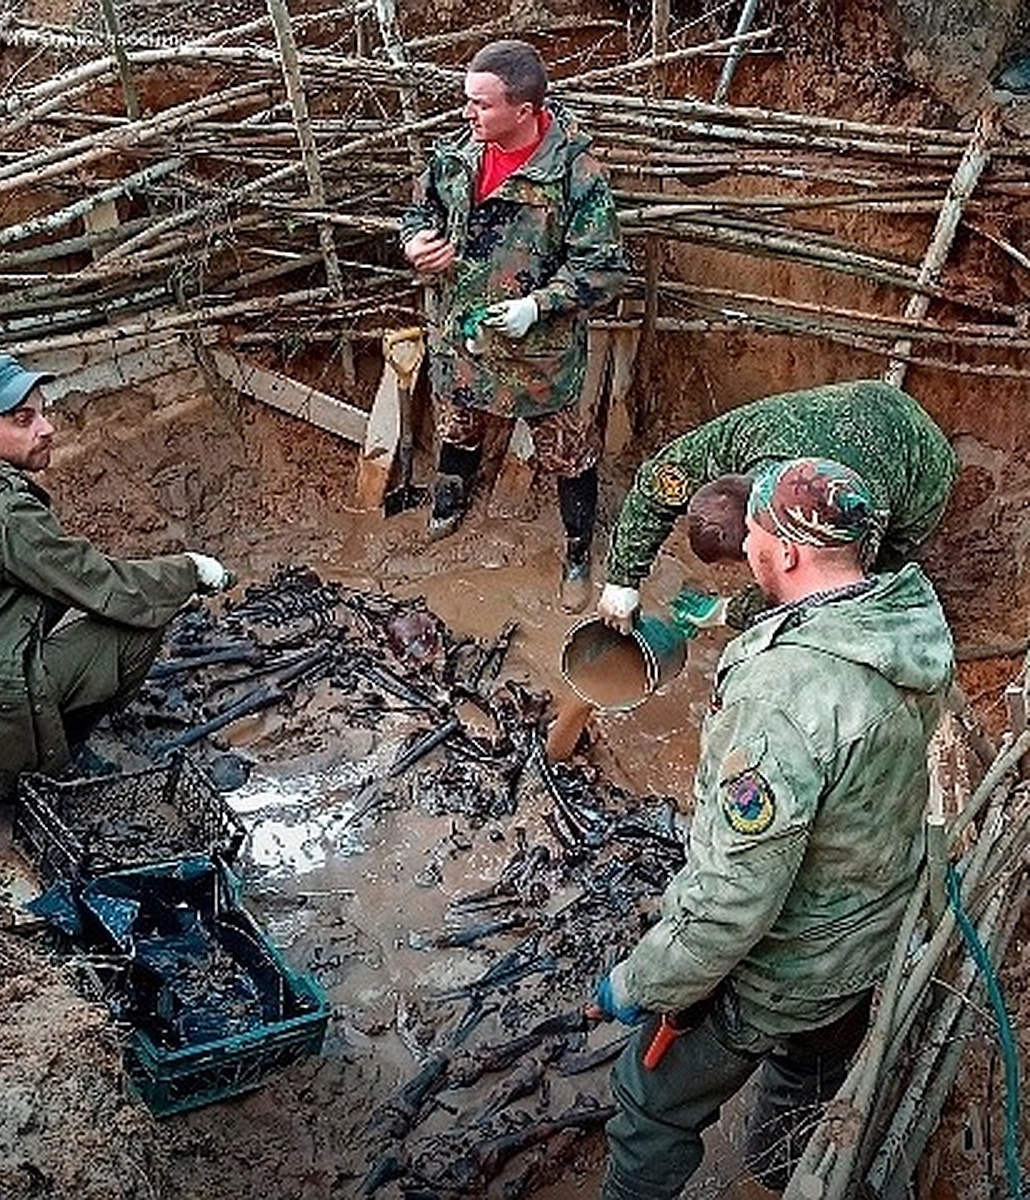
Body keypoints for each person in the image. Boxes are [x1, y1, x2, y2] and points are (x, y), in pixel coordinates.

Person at [586, 457, 955, 1198]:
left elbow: (733, 901)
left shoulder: (781, 698)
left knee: (648, 1109)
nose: (747, 543)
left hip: (786, 969)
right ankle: (778, 1178)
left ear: (784, 551)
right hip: (869, 938)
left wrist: (644, 978)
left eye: (753, 529)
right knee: (803, 1079)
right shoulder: (905, 625)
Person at [0, 353, 234, 809]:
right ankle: (45, 762)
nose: (46, 428)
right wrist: (190, 571)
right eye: (24, 419)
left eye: (43, 412)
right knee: (135, 626)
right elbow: (101, 584)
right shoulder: (3, 510)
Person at [400, 38, 628, 612]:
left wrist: (538, 305)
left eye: (480, 104)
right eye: (467, 101)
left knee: (568, 452)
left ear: (523, 110)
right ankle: (449, 505)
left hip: (538, 351)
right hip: (465, 335)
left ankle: (578, 551)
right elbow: (418, 212)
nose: (466, 113)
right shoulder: (457, 156)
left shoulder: (575, 173)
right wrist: (416, 244)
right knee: (458, 424)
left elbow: (602, 270)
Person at [597, 378, 958, 631]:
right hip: (855, 403)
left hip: (922, 466)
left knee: (874, 578)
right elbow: (657, 484)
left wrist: (728, 612)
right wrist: (622, 581)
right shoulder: (739, 440)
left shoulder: (845, 513)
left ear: (769, 540)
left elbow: (824, 595)